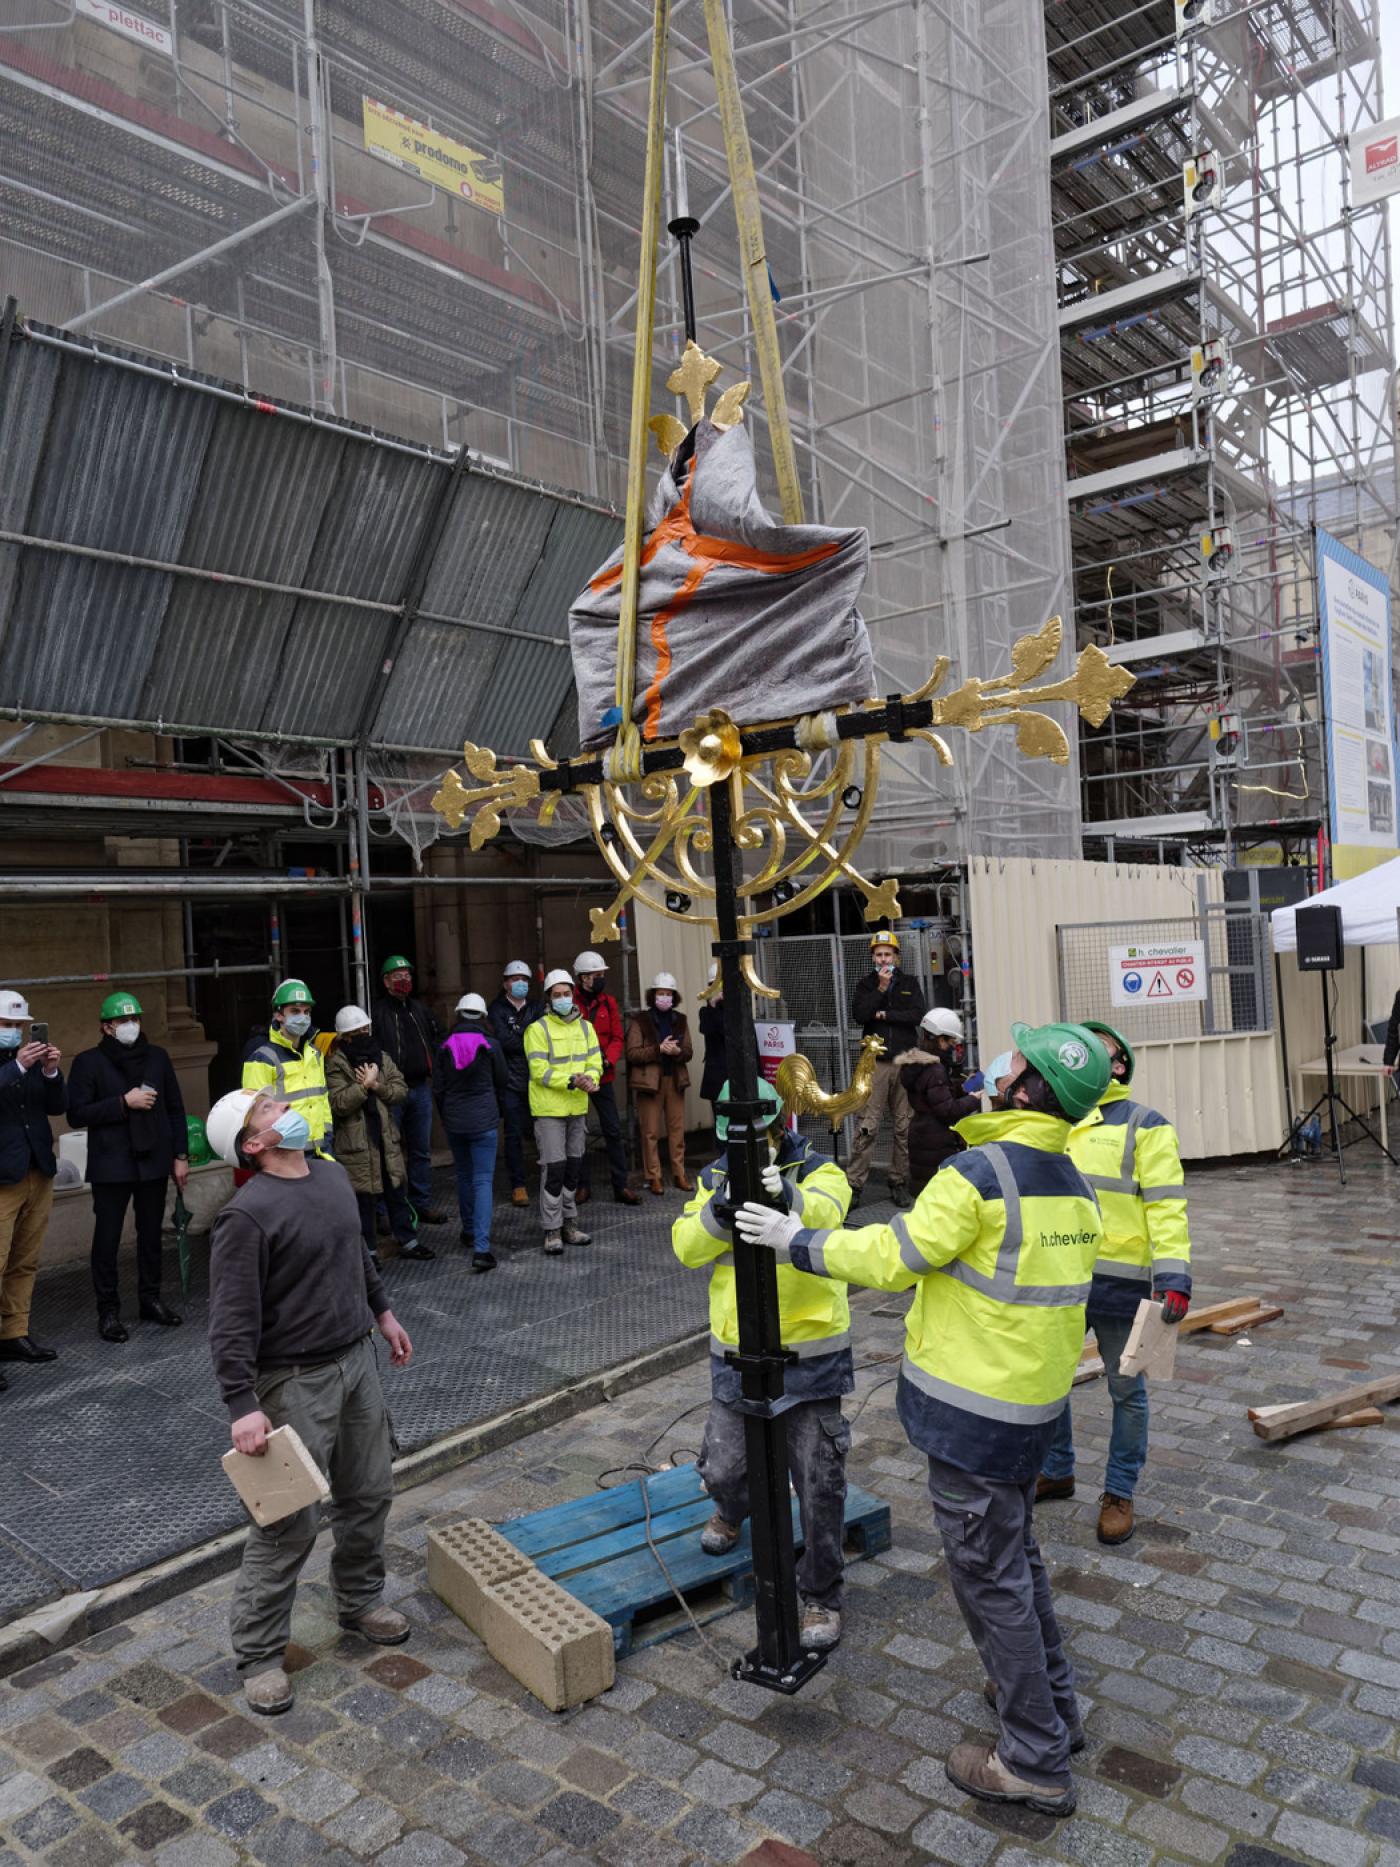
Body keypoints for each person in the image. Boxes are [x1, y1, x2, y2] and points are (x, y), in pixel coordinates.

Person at [736, 1021, 1110, 1816]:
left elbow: (890, 1256)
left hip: (971, 1419)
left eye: (1011, 1059)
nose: (992, 1062)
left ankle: (1035, 1758)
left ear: (1023, 1087)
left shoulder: (978, 1173)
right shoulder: (1071, 1180)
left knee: (992, 1583)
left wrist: (796, 1238)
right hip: (1030, 1415)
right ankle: (1057, 1711)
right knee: (1020, 1563)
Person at [204, 1087, 413, 1717]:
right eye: (268, 1109)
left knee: (369, 1491)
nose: (284, 1107)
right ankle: (261, 1654)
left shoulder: (331, 1176)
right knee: (286, 1523)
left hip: (356, 1361)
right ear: (253, 1143)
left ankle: (360, 1601)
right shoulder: (246, 1215)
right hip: (292, 1381)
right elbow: (231, 1318)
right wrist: (243, 1403)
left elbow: (356, 1255)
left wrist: (383, 1313)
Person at [673, 1077, 853, 1649]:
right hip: (736, 1353)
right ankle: (732, 1509)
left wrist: (789, 1201)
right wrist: (717, 1215)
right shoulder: (715, 1178)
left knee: (820, 1482)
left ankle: (820, 1596)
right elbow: (685, 1246)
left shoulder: (816, 1168)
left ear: (778, 1126)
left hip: (809, 1353)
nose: (740, 1151)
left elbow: (830, 1208)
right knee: (724, 1466)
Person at [1038, 1019, 1191, 1546]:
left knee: (1127, 1392)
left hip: (1123, 1290)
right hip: (1058, 1282)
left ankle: (1119, 1492)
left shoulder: (1146, 1125)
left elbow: (1167, 1207)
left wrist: (1174, 1276)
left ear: (1119, 1065)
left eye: (1097, 1051)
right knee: (1049, 1382)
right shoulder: (1053, 1121)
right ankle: (1056, 1470)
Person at [67, 992, 187, 1343]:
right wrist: (123, 1102)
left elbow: (175, 1109)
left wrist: (180, 1155)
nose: (131, 1026)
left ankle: (150, 1299)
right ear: (106, 1027)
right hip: (111, 1163)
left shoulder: (158, 1058)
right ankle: (108, 1311)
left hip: (153, 1158)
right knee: (107, 1239)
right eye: (123, 1021)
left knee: (151, 1235)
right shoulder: (89, 1063)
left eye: (135, 1019)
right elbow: (76, 1112)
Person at [325, 1006, 433, 1266]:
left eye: (365, 1029)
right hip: (357, 1144)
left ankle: (408, 1240)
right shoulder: (336, 1064)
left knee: (395, 1190)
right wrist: (363, 1087)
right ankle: (369, 1253)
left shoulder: (382, 1059)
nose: (363, 1034)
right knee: (364, 1200)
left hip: (385, 1137)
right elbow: (338, 1103)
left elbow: (400, 1090)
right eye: (356, 1031)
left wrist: (376, 1085)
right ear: (344, 1037)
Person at [0, 990, 65, 1377]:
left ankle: (13, 1332)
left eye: (19, 1027)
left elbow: (58, 1106)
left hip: (37, 1171)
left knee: (24, 1259)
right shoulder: (15, 1066)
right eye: (7, 1025)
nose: (14, 1033)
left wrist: (51, 1073)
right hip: (3, 1177)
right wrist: (19, 1070)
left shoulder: (29, 1061)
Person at [846, 929, 926, 1209]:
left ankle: (898, 1182)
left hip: (904, 1063)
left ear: (896, 956)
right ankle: (854, 1185)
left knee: (904, 1126)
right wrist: (880, 990)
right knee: (867, 1125)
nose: (883, 959)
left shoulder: (910, 983)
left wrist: (886, 1015)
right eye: (878, 955)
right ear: (873, 958)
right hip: (875, 1064)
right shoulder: (866, 985)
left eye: (888, 954)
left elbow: (917, 1015)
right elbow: (859, 1015)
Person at [524, 970, 601, 1255]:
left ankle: (570, 1223)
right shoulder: (538, 1030)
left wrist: (590, 1078)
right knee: (554, 1168)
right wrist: (572, 1080)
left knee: (573, 1168)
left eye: (566, 994)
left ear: (573, 994)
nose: (562, 999)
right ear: (548, 998)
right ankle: (552, 1229)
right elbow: (539, 1071)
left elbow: (595, 1061)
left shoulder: (586, 1028)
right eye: (556, 995)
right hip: (549, 1110)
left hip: (577, 1107)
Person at [434, 992, 507, 1272]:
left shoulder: (444, 1047)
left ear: (459, 1015)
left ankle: (467, 1230)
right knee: (483, 1181)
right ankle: (481, 1248)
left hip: (455, 1120)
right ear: (483, 1016)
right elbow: (501, 1081)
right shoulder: (491, 1045)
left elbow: (438, 1089)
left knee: (464, 1176)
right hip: (484, 1120)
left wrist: (447, 1116)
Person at [372, 955, 446, 1223]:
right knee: (388, 1151)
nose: (404, 980)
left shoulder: (419, 1009)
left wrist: (434, 1063)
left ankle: (421, 1203)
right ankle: (386, 1209)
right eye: (398, 976)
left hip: (420, 1089)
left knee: (420, 1151)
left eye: (408, 975)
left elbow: (438, 1036)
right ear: (386, 981)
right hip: (391, 1092)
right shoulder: (378, 1012)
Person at [572, 952, 639, 1206]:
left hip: (603, 1075)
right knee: (578, 1131)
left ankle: (620, 1185)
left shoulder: (609, 1003)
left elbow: (617, 1037)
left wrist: (607, 1061)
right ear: (584, 978)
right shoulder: (571, 1003)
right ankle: (582, 1186)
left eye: (602, 974)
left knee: (612, 1129)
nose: (601, 979)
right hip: (578, 1077)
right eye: (597, 975)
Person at [243, 981, 333, 1157]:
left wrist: (327, 1136)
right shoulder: (262, 1058)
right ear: (278, 1015)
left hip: (321, 1151)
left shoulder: (315, 1054)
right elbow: (255, 1115)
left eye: (306, 1012)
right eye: (295, 1011)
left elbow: (323, 1100)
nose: (302, 1017)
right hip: (284, 1154)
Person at [625, 971, 694, 1195]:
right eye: (660, 993)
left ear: (674, 997)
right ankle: (653, 1176)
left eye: (668, 993)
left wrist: (676, 1051)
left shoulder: (681, 1020)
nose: (664, 997)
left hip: (674, 1081)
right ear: (653, 995)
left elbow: (688, 1052)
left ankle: (679, 1173)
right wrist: (658, 1050)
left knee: (677, 1131)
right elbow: (632, 1053)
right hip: (649, 1084)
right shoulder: (640, 1021)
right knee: (650, 1132)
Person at [900, 1008, 981, 1194]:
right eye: (950, 1041)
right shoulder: (935, 1070)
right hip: (937, 1142)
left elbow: (932, 1093)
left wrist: (961, 1087)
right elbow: (947, 1111)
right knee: (942, 1197)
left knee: (925, 1200)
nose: (952, 1046)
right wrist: (972, 1099)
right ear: (939, 1039)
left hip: (921, 1136)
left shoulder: (916, 1063)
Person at [489, 961, 536, 1208]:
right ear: (506, 982)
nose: (520, 984)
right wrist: (528, 1041)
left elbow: (541, 1039)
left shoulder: (536, 1008)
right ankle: (518, 1184)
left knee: (540, 1132)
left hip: (537, 1079)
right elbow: (502, 1041)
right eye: (515, 979)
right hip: (510, 1082)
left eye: (524, 979)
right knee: (514, 1135)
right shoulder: (496, 1009)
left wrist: (520, 1038)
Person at [698, 962, 728, 1129]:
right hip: (717, 1077)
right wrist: (713, 1004)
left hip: (736, 1075)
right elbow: (707, 1028)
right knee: (720, 1122)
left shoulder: (738, 1011)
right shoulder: (706, 1012)